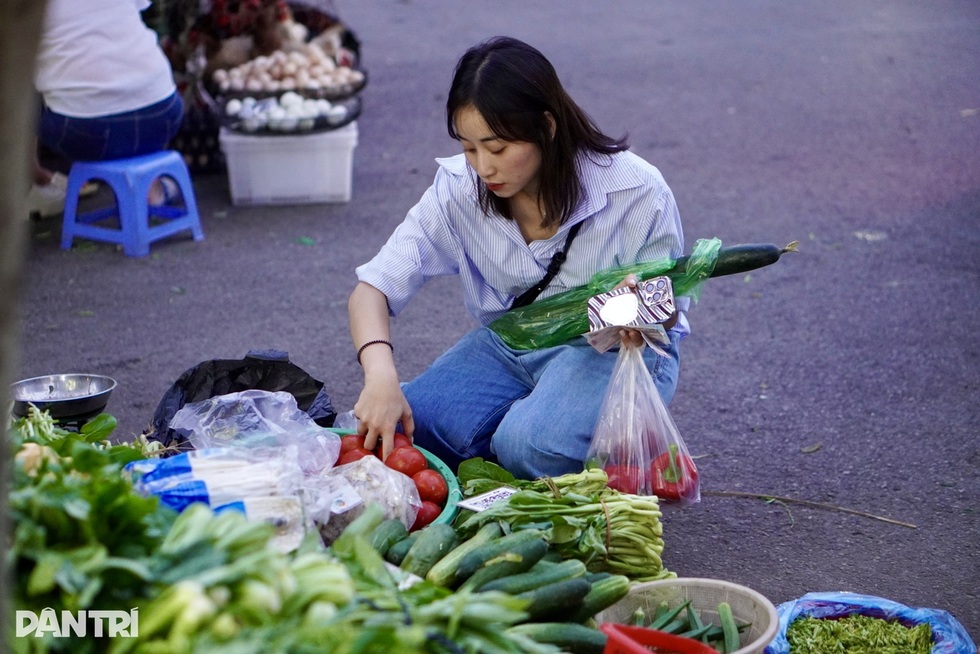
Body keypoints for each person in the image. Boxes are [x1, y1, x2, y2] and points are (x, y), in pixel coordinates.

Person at [348, 36, 689, 480]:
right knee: (421, 428)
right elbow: (371, 289)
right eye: (469, 148)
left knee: (529, 446)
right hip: (513, 342)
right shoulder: (457, 189)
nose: (483, 167)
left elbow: (666, 312)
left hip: (612, 350)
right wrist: (379, 374)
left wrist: (637, 305)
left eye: (498, 148)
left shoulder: (636, 191)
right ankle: (536, 430)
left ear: (546, 127)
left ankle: (584, 441)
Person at [28, 0, 185, 217]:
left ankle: (33, 179)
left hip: (83, 131)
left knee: (17, 91)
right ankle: (151, 186)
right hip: (163, 114)